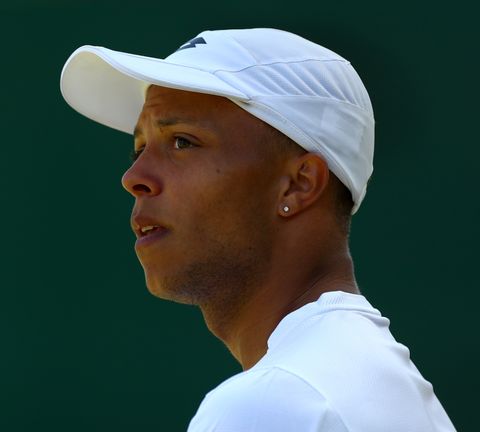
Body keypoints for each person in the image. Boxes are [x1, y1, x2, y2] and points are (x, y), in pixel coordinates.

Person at [59, 28, 455, 431]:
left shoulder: (278, 401)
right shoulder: (359, 377)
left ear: (299, 184)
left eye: (182, 142)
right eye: (140, 148)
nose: (134, 177)